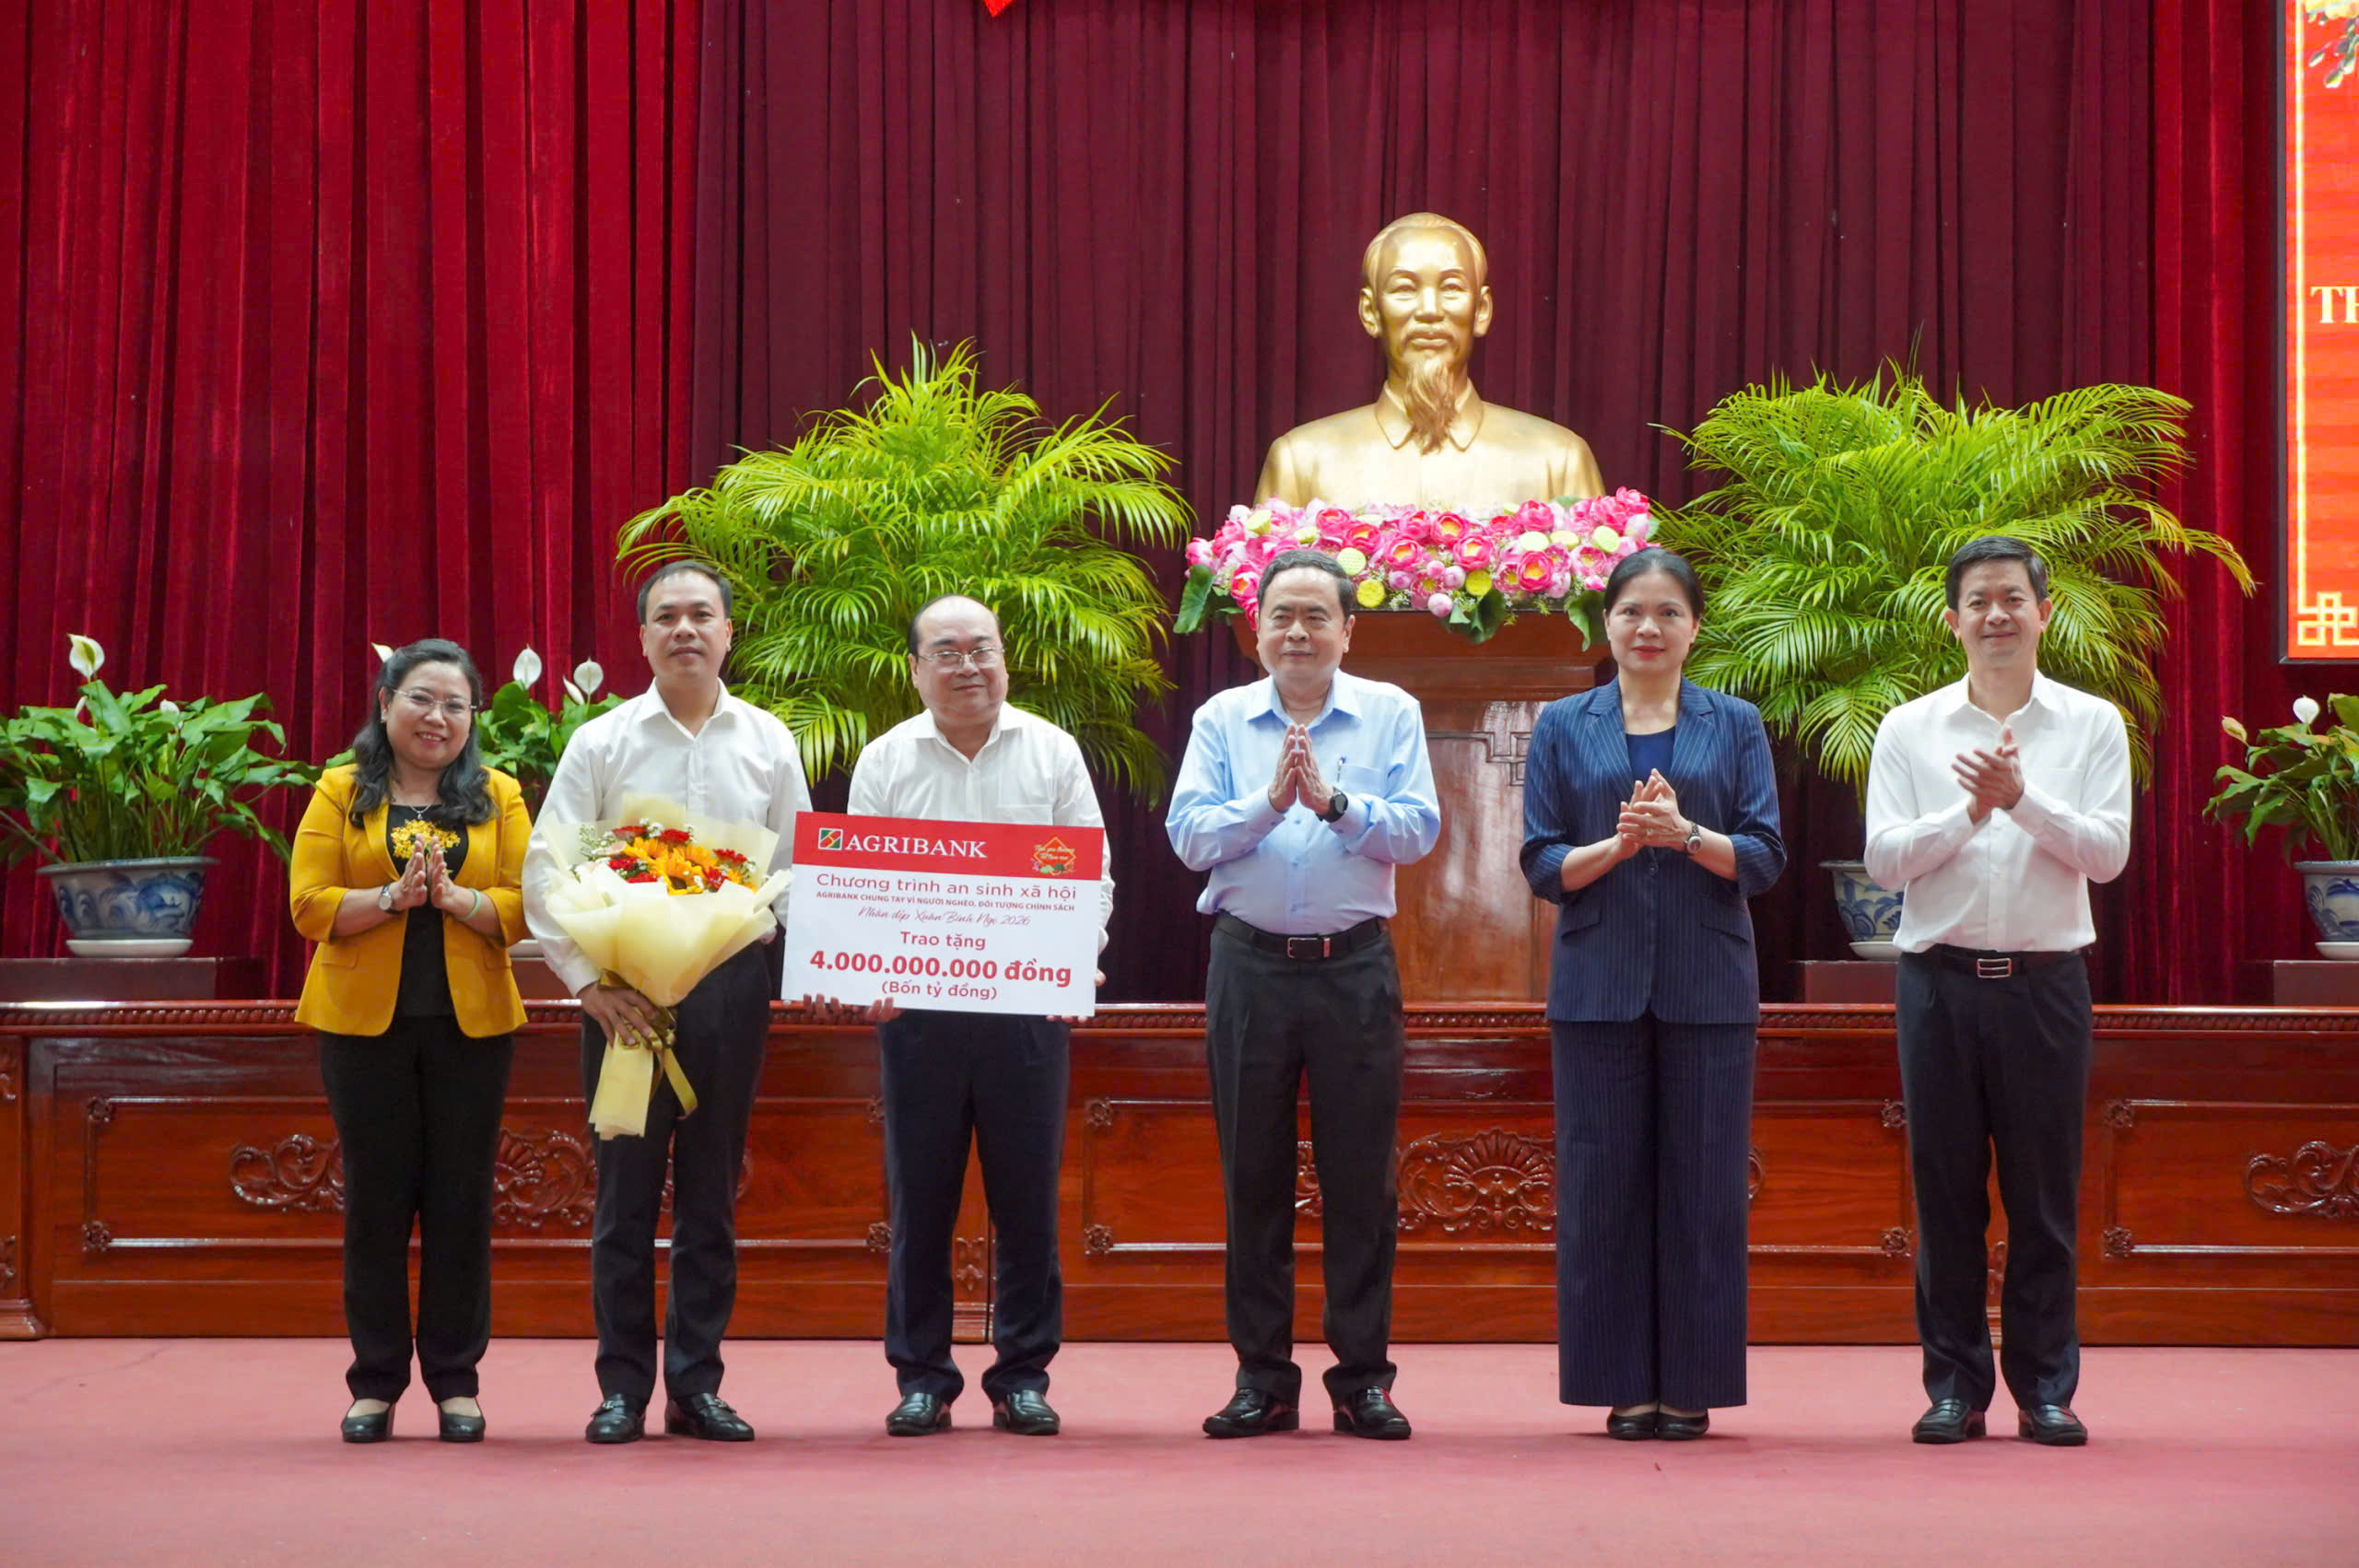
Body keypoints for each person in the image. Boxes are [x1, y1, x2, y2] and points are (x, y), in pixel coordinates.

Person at [523, 561, 810, 1445]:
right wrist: (589, 985)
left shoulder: (769, 741)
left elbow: (796, 870)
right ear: (642, 636)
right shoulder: (601, 742)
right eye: (667, 617)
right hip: (626, 996)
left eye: (701, 615)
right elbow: (547, 866)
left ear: (728, 632)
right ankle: (621, 1389)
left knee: (711, 1196)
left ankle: (696, 1385)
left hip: (729, 985)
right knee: (624, 1197)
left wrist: (809, 964)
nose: (685, 629)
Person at [1165, 548, 1441, 1440]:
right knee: (1253, 1178)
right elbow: (1189, 837)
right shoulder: (1221, 718)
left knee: (1361, 1182)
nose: (1297, 632)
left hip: (1354, 968)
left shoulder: (1391, 712)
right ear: (1256, 630)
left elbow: (1417, 832)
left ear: (1347, 631)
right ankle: (1263, 1380)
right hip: (1248, 967)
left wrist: (1333, 804)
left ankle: (1362, 1379)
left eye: (1316, 615)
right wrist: (1267, 803)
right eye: (1281, 615)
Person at [1865, 534, 2130, 1448]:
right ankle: (1954, 1389)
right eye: (1977, 600)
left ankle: (2045, 1389)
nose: (1996, 615)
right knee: (1944, 1199)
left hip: (2044, 986)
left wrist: (2022, 800)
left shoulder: (2092, 724)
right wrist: (1971, 809)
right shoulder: (1909, 728)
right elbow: (1884, 859)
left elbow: (2107, 852)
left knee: (2044, 1201)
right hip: (1937, 986)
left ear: (2043, 612)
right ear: (1952, 620)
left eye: (2012, 597)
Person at [831, 594, 1114, 1439]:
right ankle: (923, 1377)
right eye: (947, 652)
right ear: (916, 668)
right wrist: (868, 968)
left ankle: (1021, 1376)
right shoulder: (885, 761)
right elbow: (863, 887)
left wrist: (1073, 955)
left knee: (1027, 1202)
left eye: (981, 649)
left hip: (1026, 1010)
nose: (968, 666)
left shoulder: (1052, 752)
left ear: (1004, 658)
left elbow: (1091, 875)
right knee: (920, 1201)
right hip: (917, 1014)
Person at [1518, 549, 1785, 1441]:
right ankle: (1620, 1384)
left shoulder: (1734, 722)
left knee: (1705, 1187)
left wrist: (1684, 834)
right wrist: (1623, 846)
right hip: (1597, 987)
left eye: (1669, 612)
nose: (1648, 627)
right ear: (1606, 623)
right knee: (1602, 1190)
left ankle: (1693, 1384)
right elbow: (1542, 863)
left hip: (1708, 987)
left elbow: (1762, 856)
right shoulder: (1564, 723)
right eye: (1632, 610)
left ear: (1694, 627)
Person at [289, 638, 531, 1445]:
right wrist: (391, 898)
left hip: (472, 1027)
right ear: (386, 702)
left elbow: (526, 905)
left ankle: (456, 1383)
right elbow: (309, 905)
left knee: (462, 1202)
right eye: (422, 699)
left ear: (472, 718)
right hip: (363, 1028)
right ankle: (376, 1383)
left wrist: (459, 901)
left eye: (455, 705)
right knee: (376, 1202)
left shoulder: (499, 794)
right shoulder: (340, 790)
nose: (438, 718)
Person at [1252, 211, 1603, 512]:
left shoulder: (1558, 460)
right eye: (1404, 289)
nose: (1430, 311)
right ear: (1370, 312)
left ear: (1481, 310)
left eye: (1451, 288)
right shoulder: (1302, 462)